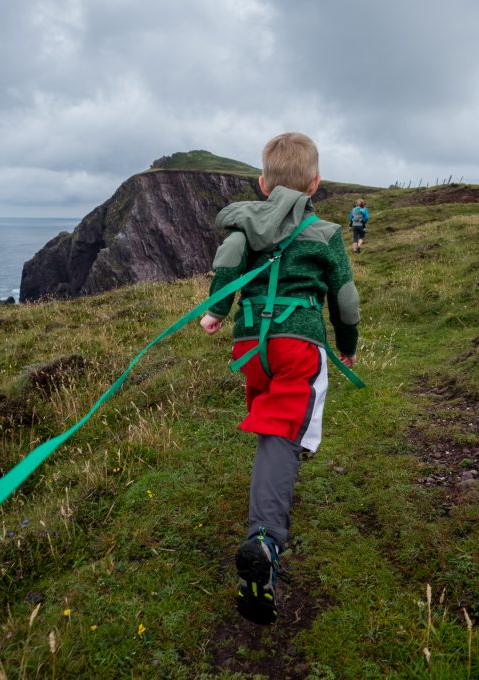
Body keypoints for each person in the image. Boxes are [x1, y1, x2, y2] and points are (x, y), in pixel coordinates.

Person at [200, 132, 360, 625]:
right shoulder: (326, 232)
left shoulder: (244, 224)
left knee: (274, 423)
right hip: (298, 345)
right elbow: (347, 300)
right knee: (282, 434)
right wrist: (348, 347)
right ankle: (265, 538)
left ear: (263, 184)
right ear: (314, 184)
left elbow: (227, 261)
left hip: (251, 348)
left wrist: (216, 312)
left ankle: (277, 481)